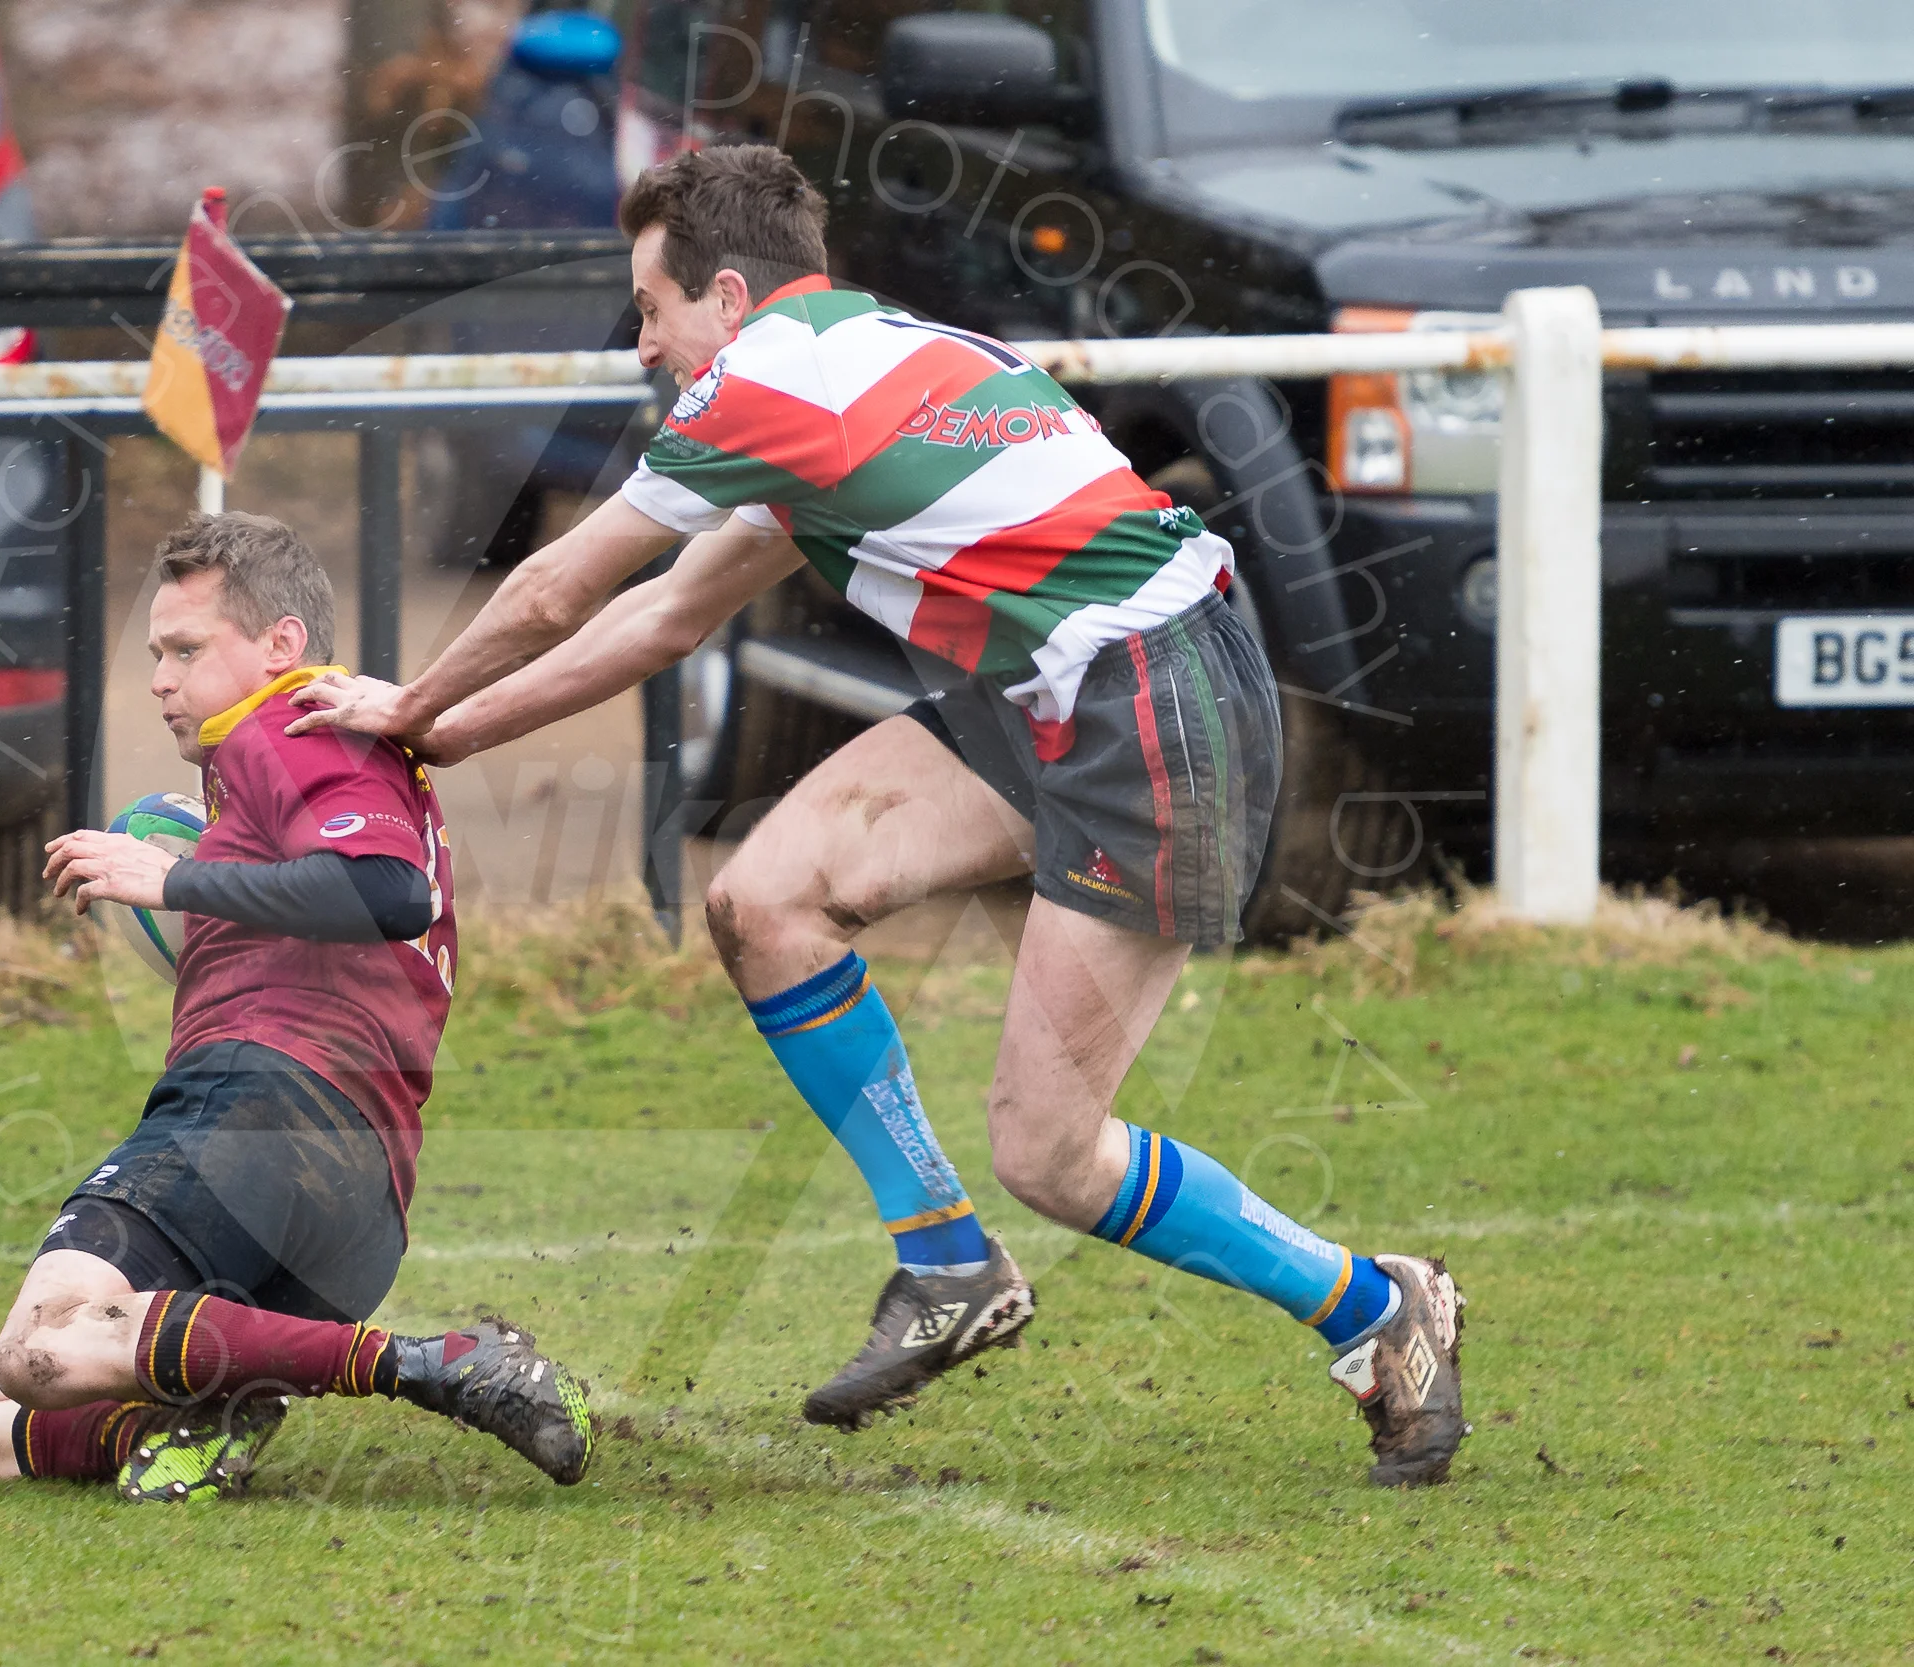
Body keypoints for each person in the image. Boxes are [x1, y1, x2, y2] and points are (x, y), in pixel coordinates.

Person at [287, 147, 1466, 1486]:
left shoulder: (763, 383)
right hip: (1061, 686)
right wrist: (437, 732)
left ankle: (1380, 1307)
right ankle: (946, 1257)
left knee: (1052, 1148)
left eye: (654, 310)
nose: (647, 345)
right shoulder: (860, 365)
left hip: (1152, 700)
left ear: (726, 298)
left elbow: (563, 581)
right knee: (765, 899)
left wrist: (409, 700)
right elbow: (670, 612)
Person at [0, 511, 594, 1502]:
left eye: (185, 649)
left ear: (281, 645)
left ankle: (429, 1360)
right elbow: (351, 890)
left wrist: (170, 880)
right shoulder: (323, 766)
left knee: (38, 1345)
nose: (160, 679)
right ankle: (208, 1405)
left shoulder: (289, 722)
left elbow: (385, 892)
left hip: (260, 1109)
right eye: (155, 652)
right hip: (356, 1205)